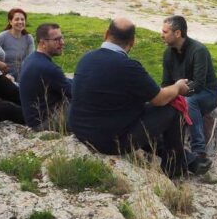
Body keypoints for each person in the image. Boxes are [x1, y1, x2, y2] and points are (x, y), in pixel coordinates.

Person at [69, 18, 206, 177]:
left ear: (106, 34)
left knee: (142, 114)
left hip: (81, 131)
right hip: (110, 143)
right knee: (172, 108)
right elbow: (159, 98)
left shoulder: (86, 59)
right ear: (132, 41)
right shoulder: (129, 67)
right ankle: (174, 167)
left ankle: (187, 159)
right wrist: (177, 87)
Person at [161, 16, 217, 171]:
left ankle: (199, 152)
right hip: (182, 92)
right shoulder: (168, 54)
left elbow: (199, 85)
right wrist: (167, 94)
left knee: (189, 102)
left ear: (178, 33)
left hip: (209, 93)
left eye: (165, 32)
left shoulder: (199, 50)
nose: (162, 35)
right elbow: (166, 83)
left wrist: (176, 93)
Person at [18, 23, 73, 131]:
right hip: (44, 123)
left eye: (61, 38)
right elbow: (74, 93)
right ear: (43, 43)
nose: (62, 42)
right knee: (88, 102)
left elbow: (63, 83)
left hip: (33, 119)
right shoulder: (49, 68)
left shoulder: (31, 59)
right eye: (57, 39)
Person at [0, 8, 35, 81]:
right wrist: (5, 75)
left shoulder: (29, 38)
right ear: (10, 21)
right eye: (17, 19)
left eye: (22, 19)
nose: (20, 22)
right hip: (5, 76)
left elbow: (31, 60)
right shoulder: (2, 37)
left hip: (24, 75)